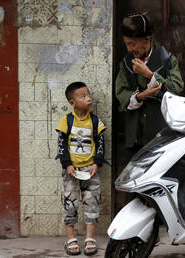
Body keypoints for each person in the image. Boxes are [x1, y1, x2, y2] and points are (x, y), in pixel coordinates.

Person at [115, 12, 184, 153]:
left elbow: (176, 89)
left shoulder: (167, 59)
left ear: (146, 40)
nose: (129, 49)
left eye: (132, 44)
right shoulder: (126, 63)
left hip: (162, 134)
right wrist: (141, 96)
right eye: (127, 44)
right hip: (135, 137)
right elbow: (121, 93)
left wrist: (149, 75)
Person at [55, 81, 106, 256]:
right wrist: (67, 164)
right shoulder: (67, 120)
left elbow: (100, 143)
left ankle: (90, 238)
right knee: (70, 202)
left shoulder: (95, 121)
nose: (88, 98)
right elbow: (61, 144)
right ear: (72, 102)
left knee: (92, 202)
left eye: (88, 94)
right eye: (82, 96)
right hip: (71, 169)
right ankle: (70, 238)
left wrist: (96, 163)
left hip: (90, 169)